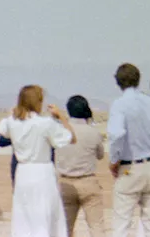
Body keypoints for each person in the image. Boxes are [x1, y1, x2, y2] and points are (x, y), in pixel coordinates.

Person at [0, 86, 75, 237]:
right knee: (45, 217)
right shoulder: (45, 123)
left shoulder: (12, 123)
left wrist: (10, 114)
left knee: (23, 219)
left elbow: (2, 129)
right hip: (42, 172)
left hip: (23, 172)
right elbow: (70, 137)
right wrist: (61, 117)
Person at [107, 63, 150, 237]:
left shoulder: (119, 105)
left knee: (122, 222)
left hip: (130, 167)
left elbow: (117, 135)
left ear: (118, 82)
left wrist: (114, 160)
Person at [55, 95, 105, 237]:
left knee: (65, 228)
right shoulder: (93, 132)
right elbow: (100, 155)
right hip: (87, 181)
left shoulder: (60, 131)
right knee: (96, 227)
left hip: (65, 183)